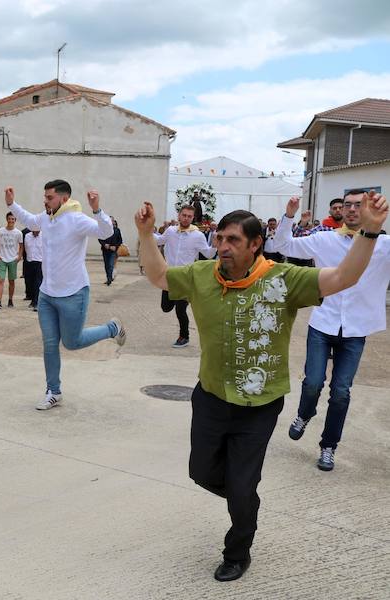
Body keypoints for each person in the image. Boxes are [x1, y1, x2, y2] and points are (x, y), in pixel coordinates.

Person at [134, 193, 387, 582]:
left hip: (260, 403)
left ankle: (237, 551)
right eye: (219, 239)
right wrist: (146, 234)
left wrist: (369, 231)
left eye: (233, 240)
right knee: (201, 472)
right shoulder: (203, 275)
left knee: (240, 483)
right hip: (212, 397)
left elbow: (342, 277)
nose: (222, 248)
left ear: (256, 244)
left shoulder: (283, 280)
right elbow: (159, 276)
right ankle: (244, 498)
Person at [276, 191, 390, 471]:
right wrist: (289, 215)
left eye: (358, 205)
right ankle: (304, 414)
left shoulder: (385, 245)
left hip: (356, 329)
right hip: (323, 322)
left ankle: (328, 447)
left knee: (340, 391)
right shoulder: (324, 238)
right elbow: (283, 244)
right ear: (340, 209)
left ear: (368, 209)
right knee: (313, 382)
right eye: (347, 205)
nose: (352, 210)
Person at [6, 181, 126, 410]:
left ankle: (112, 329)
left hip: (73, 293)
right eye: (45, 197)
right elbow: (30, 220)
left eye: (49, 197)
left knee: (72, 342)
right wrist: (12, 204)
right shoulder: (46, 217)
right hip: (47, 295)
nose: (45, 201)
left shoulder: (76, 219)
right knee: (50, 344)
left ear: (62, 199)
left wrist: (97, 210)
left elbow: (106, 232)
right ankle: (54, 391)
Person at [154, 205, 216, 348]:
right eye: (184, 215)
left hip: (185, 277)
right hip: (169, 275)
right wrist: (146, 230)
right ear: (179, 216)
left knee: (180, 309)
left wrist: (215, 244)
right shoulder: (170, 231)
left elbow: (208, 254)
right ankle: (179, 301)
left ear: (193, 218)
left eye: (189, 216)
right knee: (165, 307)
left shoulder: (197, 235)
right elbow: (158, 241)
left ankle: (184, 336)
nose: (186, 218)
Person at [0, 212, 23, 309]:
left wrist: (19, 257)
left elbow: (21, 246)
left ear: (15, 220)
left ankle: (10, 300)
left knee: (11, 281)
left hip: (13, 260)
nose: (11, 220)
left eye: (12, 219)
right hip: (2, 259)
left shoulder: (18, 233)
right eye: (9, 219)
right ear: (7, 219)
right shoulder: (0, 231)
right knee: (0, 280)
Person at [23, 228, 43, 310]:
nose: (36, 232)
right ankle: (32, 298)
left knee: (37, 282)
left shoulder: (44, 236)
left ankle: (36, 301)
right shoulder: (27, 236)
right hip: (29, 261)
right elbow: (26, 248)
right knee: (29, 281)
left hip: (40, 262)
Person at [99, 218, 123, 285]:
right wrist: (104, 244)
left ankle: (110, 278)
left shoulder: (117, 230)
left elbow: (120, 240)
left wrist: (115, 246)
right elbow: (100, 238)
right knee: (106, 265)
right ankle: (108, 278)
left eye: (111, 220)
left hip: (113, 250)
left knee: (111, 264)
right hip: (105, 250)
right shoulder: (103, 229)